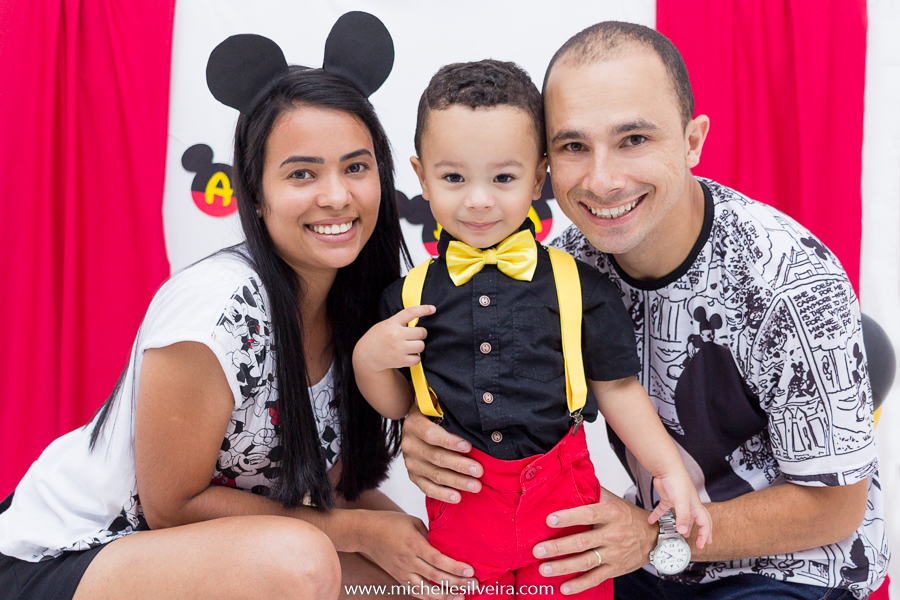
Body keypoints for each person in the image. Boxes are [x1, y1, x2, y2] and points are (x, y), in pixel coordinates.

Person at [399, 21, 889, 599]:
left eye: (634, 139)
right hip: (648, 556)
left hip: (794, 568)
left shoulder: (790, 279)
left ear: (692, 140)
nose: (603, 180)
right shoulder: (560, 273)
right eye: (574, 146)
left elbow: (835, 510)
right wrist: (428, 427)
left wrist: (653, 539)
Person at [0, 20, 476, 600]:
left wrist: (416, 548)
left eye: (355, 167)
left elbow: (328, 491)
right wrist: (358, 531)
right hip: (69, 554)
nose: (336, 195)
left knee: (426, 585)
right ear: (256, 192)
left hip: (208, 553)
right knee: (300, 562)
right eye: (302, 173)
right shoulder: (217, 311)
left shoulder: (362, 307)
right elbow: (172, 506)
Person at [354, 59, 711, 599]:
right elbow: (394, 405)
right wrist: (369, 358)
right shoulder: (405, 295)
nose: (479, 199)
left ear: (539, 176)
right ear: (421, 175)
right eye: (453, 177)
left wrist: (670, 471)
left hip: (563, 496)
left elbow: (617, 388)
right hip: (463, 502)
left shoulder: (579, 284)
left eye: (503, 177)